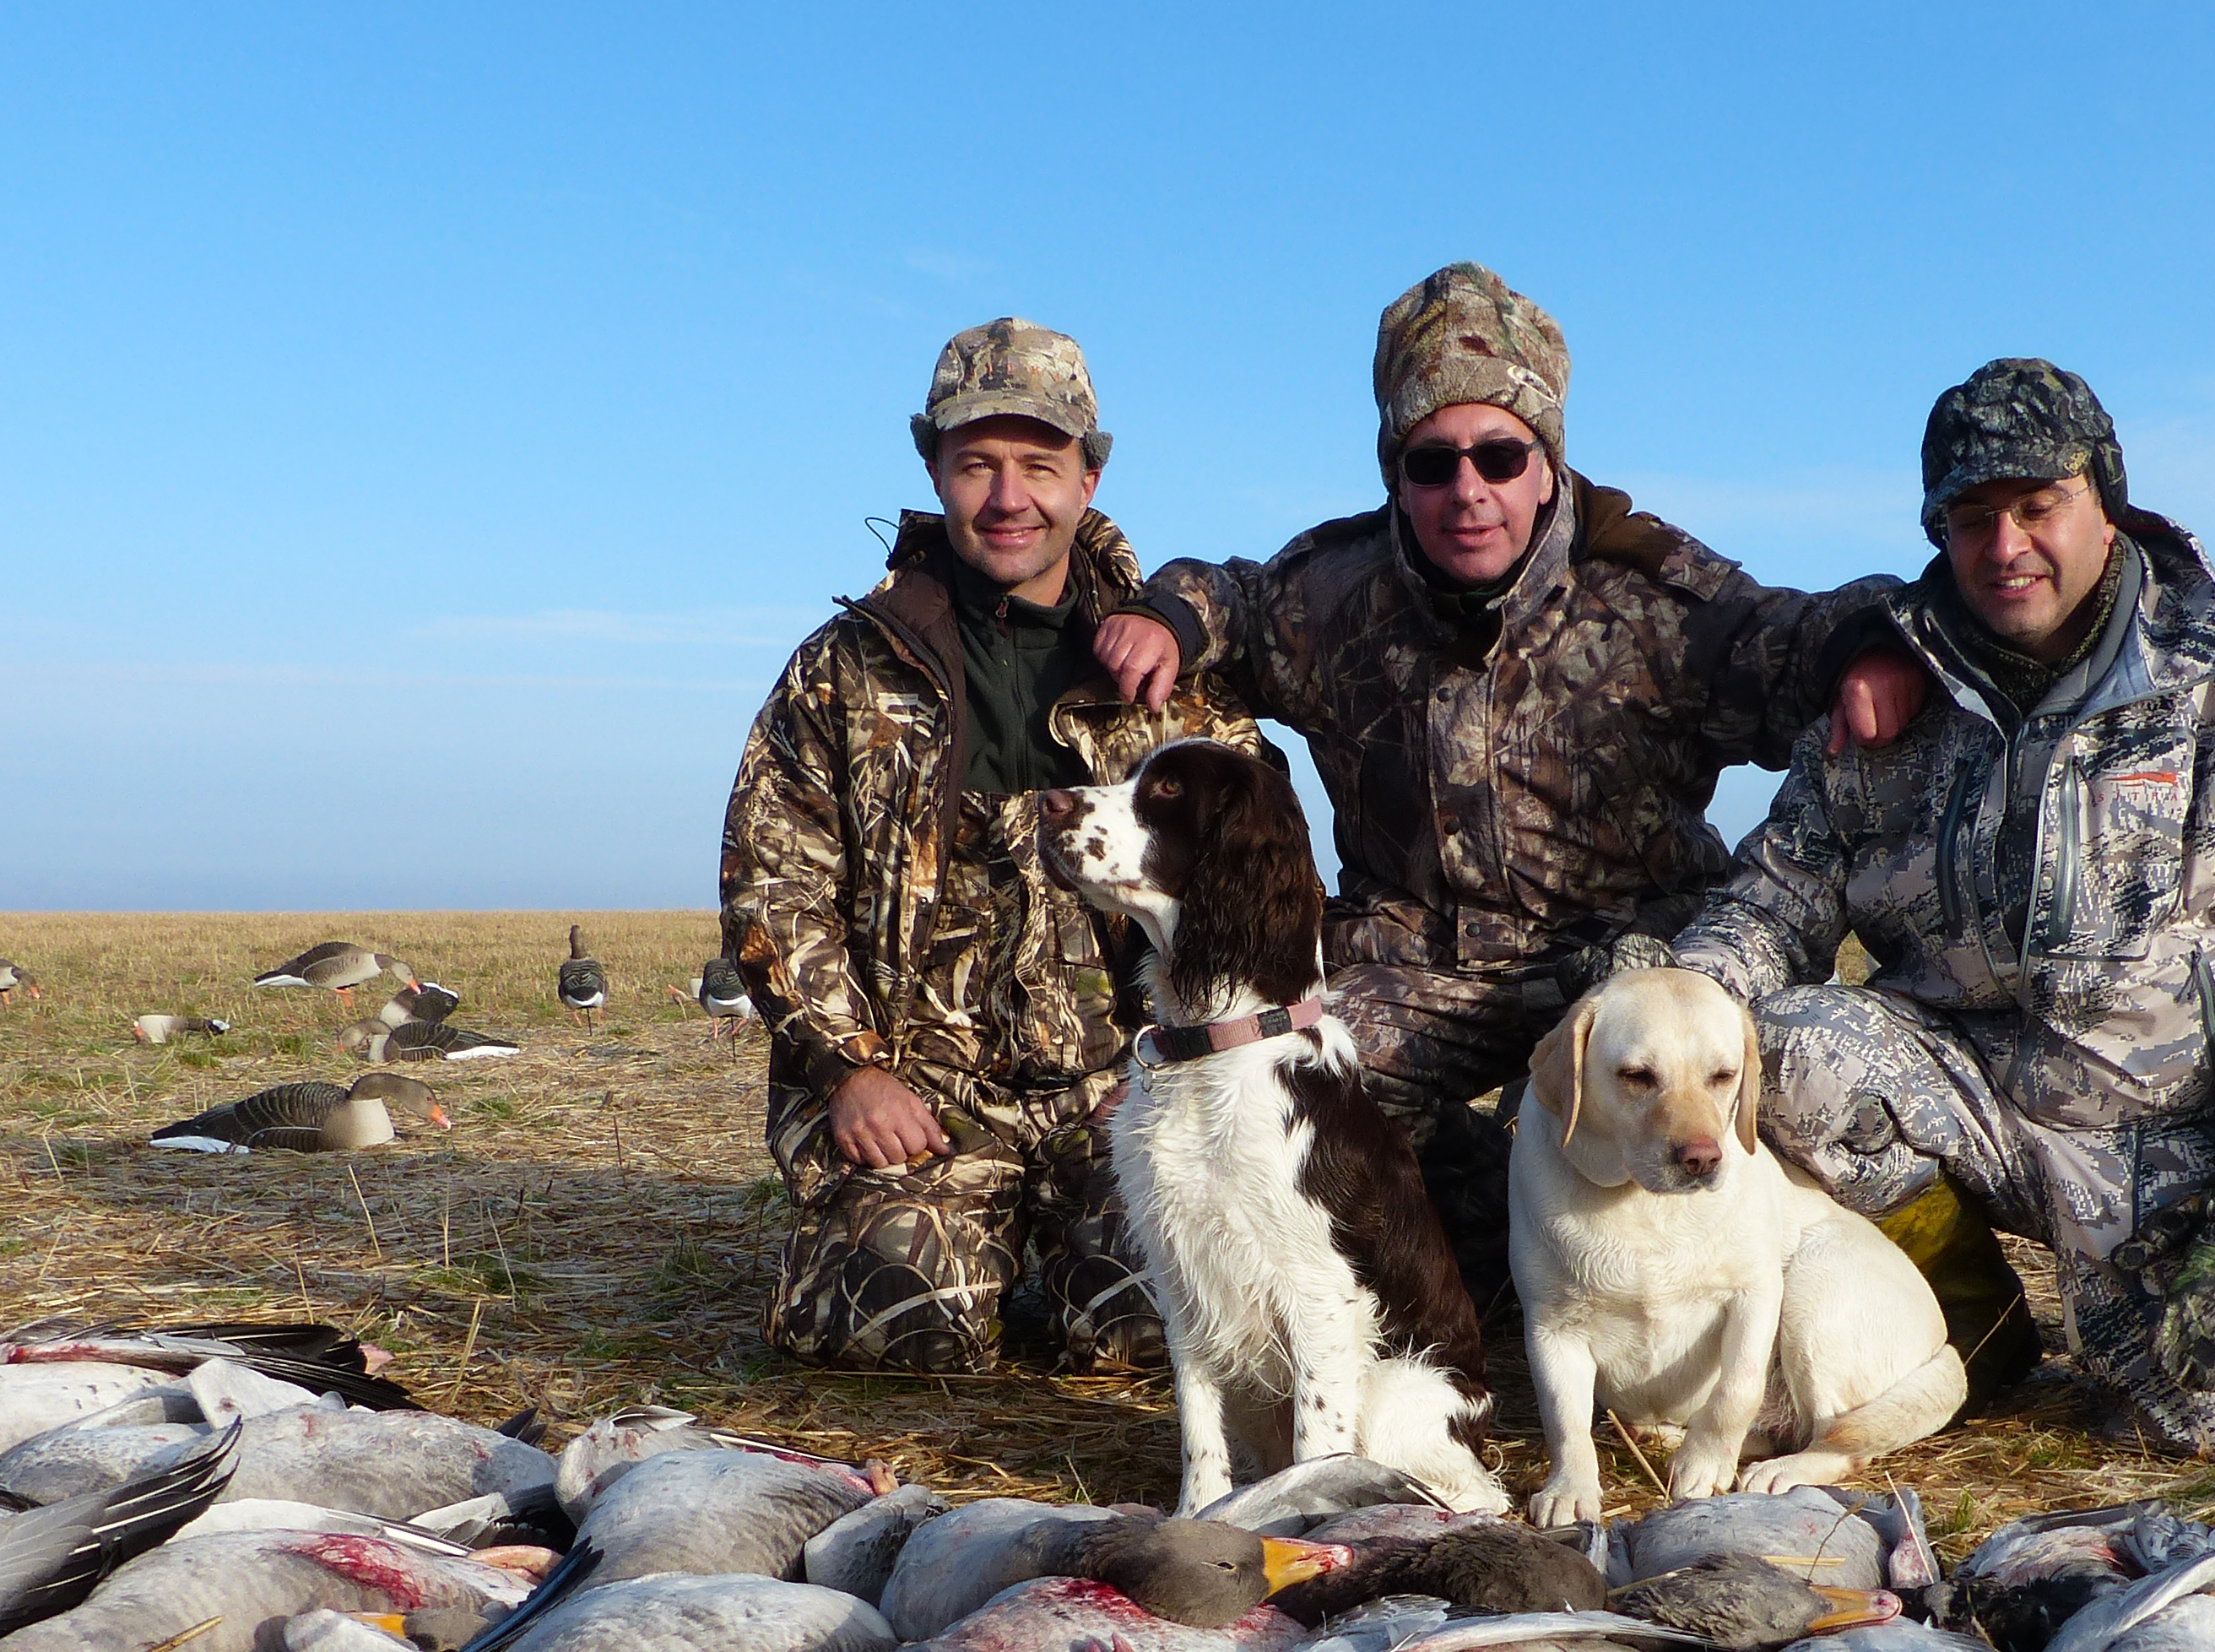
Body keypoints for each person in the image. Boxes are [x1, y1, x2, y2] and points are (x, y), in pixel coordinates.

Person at [1666, 358, 2215, 1459]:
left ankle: (2132, 1309)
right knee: (1780, 1048)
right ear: (1938, 532)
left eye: (2038, 506)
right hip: (1964, 1094)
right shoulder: (1885, 708)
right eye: (1972, 518)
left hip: (2171, 1141)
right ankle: (1969, 1327)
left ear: (2103, 504)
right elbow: (1776, 902)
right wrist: (1670, 997)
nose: (2006, 545)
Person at [1095, 263, 1919, 1267]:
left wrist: (1869, 650)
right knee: (1294, 1085)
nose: (1467, 492)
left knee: (1686, 1085)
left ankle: (1800, 1290)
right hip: (1413, 962)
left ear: (1548, 462)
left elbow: (1794, 636)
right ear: (1394, 472)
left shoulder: (1652, 594)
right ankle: (1469, 1224)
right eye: (1430, 463)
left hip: (1624, 949)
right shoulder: (1330, 596)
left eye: (1498, 454)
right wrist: (1165, 616)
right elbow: (1226, 593)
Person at [719, 319, 1259, 1373]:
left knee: (1169, 1329)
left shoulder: (1171, 679)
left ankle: (1060, 1263)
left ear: (1089, 479)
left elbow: (1244, 898)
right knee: (895, 1325)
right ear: (933, 468)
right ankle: (952, 1251)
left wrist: (1169, 1068)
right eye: (977, 464)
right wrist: (849, 1073)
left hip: (1123, 1094)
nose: (1009, 498)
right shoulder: (843, 669)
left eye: (1039, 465)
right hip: (917, 1104)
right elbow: (771, 884)